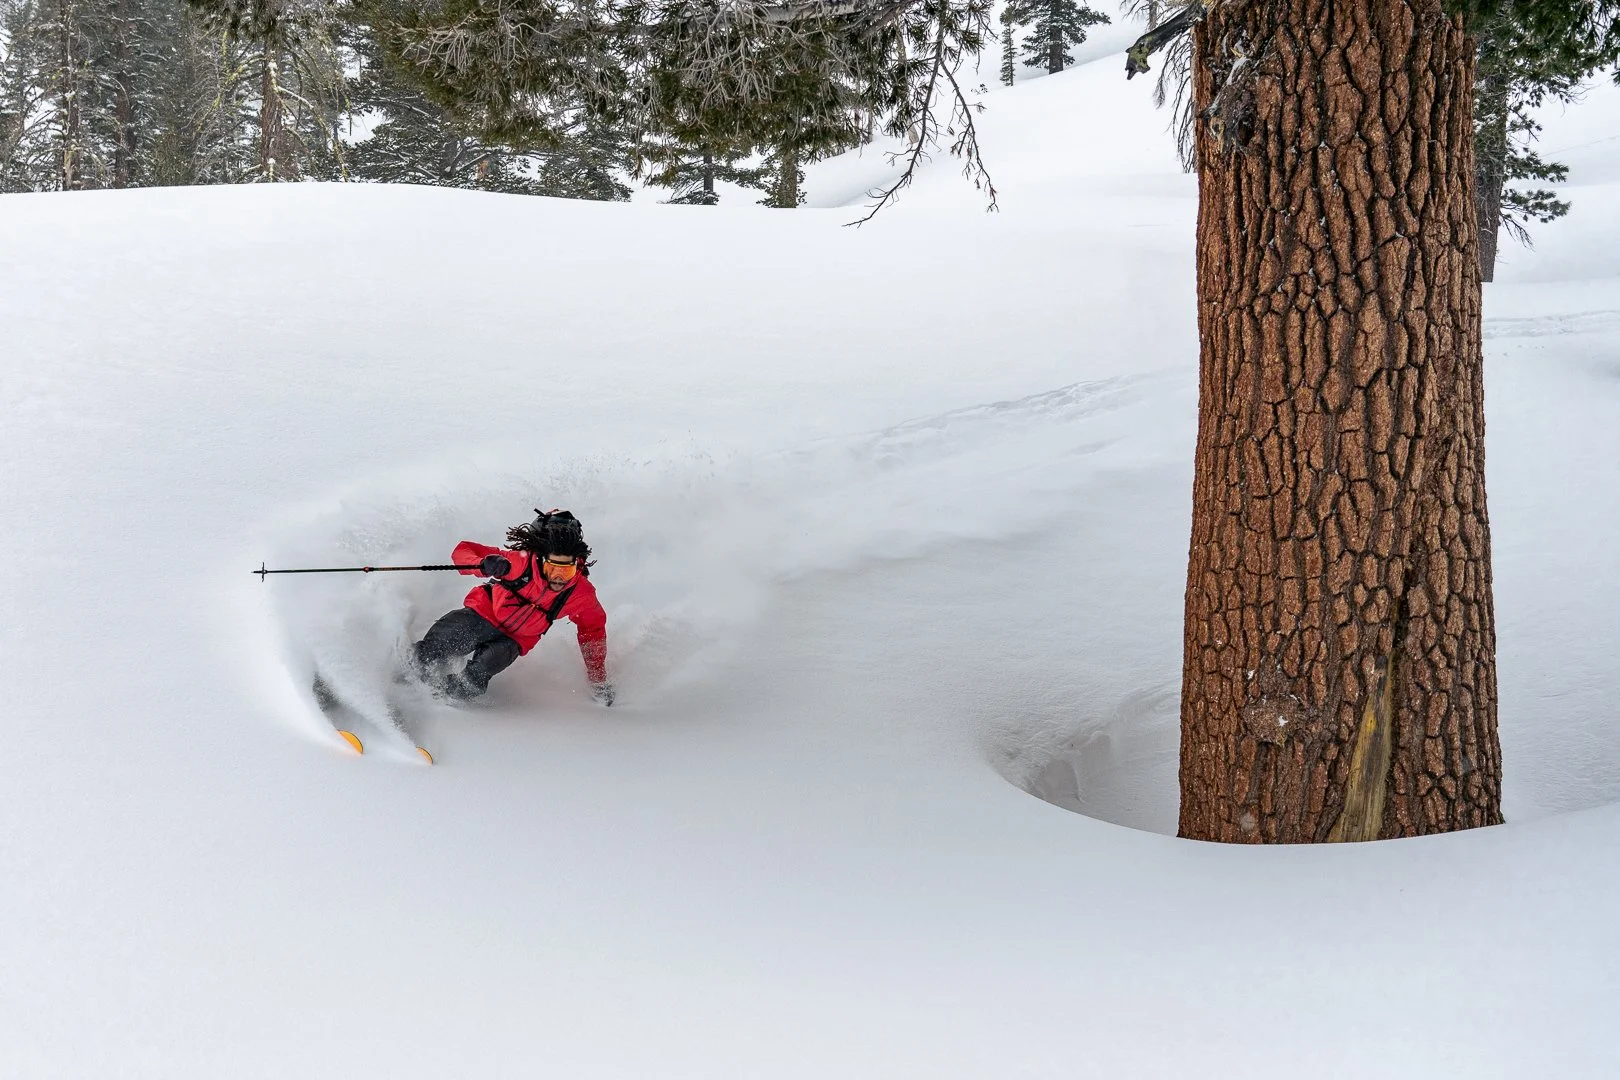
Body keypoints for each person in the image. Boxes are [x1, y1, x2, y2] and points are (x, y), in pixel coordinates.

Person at [411, 509, 613, 704]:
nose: (557, 577)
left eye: (566, 571)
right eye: (552, 568)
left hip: (513, 640)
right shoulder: (519, 563)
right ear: (542, 561)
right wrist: (484, 563)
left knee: (478, 675)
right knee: (442, 643)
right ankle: (405, 676)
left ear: (577, 567)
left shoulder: (581, 593)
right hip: (482, 616)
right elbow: (463, 550)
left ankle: (441, 703)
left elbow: (593, 631)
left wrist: (598, 678)